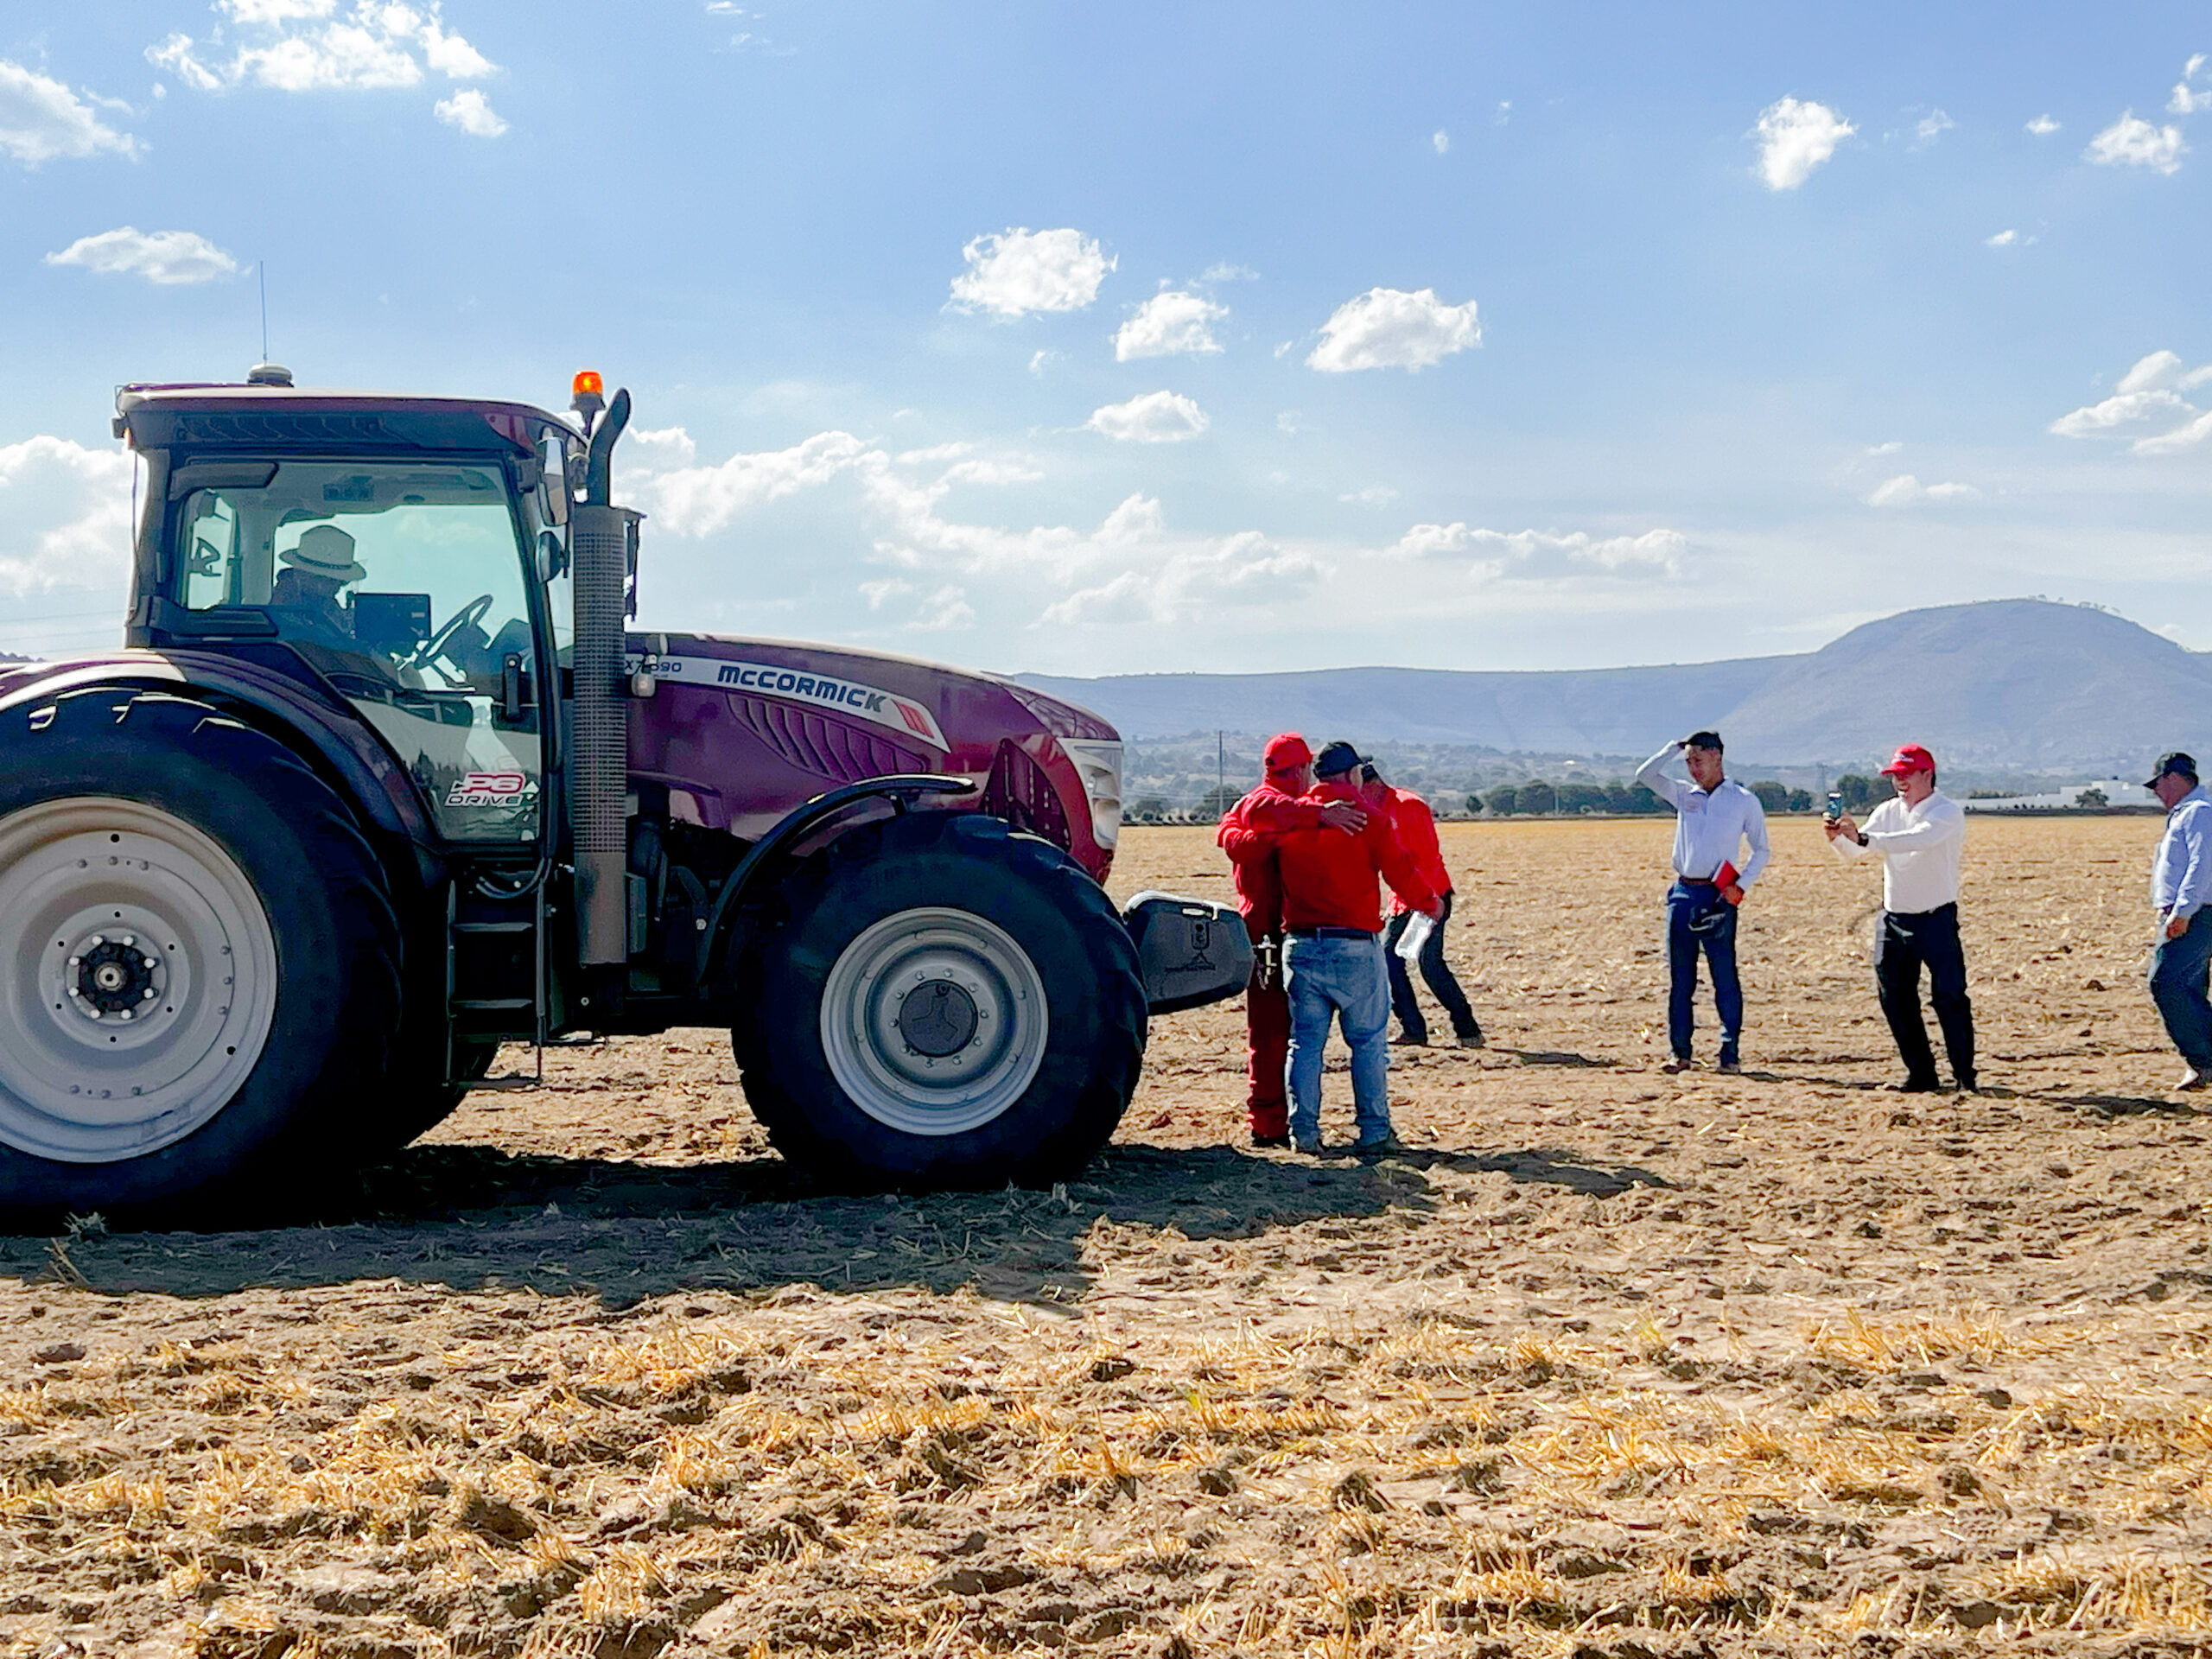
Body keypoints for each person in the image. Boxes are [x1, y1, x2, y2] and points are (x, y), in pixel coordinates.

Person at [1272, 741, 1441, 1156]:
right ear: (1354, 775)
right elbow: (1400, 869)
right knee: (1367, 1043)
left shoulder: (1292, 818)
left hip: (1300, 943)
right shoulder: (1371, 819)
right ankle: (1373, 1131)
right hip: (1355, 946)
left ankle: (1305, 1134)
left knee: (1305, 1044)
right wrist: (1430, 902)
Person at [1216, 734, 1369, 1147]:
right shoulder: (1274, 806)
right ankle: (1278, 1121)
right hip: (1274, 933)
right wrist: (1318, 816)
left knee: (1278, 1035)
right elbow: (1259, 820)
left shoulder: (1253, 809)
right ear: (1301, 770)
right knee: (1284, 1036)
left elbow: (1232, 835)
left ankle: (1274, 1119)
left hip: (1267, 933)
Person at [1827, 744, 1976, 1092]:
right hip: (1894, 919)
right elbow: (1860, 851)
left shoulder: (1946, 812)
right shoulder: (1887, 811)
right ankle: (1921, 1073)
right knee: (1894, 997)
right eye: (1895, 776)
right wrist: (1839, 839)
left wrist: (1864, 837)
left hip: (1936, 917)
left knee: (1949, 997)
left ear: (1928, 774)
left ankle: (1964, 1075)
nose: (1899, 782)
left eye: (1906, 774)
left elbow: (1918, 839)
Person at [1636, 730, 1770, 1073]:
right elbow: (1645, 775)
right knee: (1681, 979)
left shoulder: (1743, 800)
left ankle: (1729, 1053)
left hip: (1719, 894)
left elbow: (1761, 849)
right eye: (1688, 761)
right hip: (1683, 892)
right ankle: (1680, 1052)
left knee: (1724, 976)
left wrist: (1741, 886)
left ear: (1717, 757)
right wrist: (1673, 748)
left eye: (1698, 759)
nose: (1693, 767)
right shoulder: (1684, 794)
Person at [1362, 761, 1483, 1049]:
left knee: (1430, 964)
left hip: (1430, 895)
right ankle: (1413, 1029)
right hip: (1402, 900)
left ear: (1372, 784)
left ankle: (1467, 1029)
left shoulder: (1409, 806)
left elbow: (1426, 859)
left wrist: (1425, 902)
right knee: (1388, 960)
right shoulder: (1374, 812)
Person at [2144, 752, 2212, 1091]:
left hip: (2196, 914)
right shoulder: (2187, 813)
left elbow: (2201, 866)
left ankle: (2203, 1059)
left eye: (2157, 784)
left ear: (2173, 777)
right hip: (2191, 912)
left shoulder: (2198, 813)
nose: (2155, 792)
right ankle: (2203, 1063)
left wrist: (2182, 912)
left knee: (2167, 982)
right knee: (2188, 987)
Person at [267, 524, 366, 646]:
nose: (337, 587)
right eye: (332, 580)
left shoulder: (329, 608)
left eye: (341, 581)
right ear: (305, 575)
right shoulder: (281, 607)